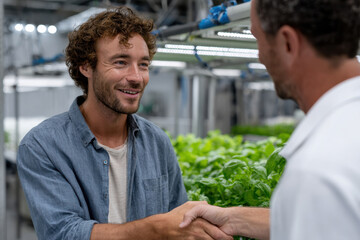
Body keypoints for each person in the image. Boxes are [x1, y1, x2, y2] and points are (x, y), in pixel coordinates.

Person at [16, 6, 233, 240]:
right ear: (86, 66)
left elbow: (178, 223)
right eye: (120, 62)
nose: (136, 77)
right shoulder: (43, 145)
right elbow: (63, 233)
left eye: (143, 64)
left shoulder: (156, 142)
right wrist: (155, 228)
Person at [179, 0, 360, 239]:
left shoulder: (318, 171)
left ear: (287, 42)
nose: (259, 55)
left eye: (258, 38)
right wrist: (234, 218)